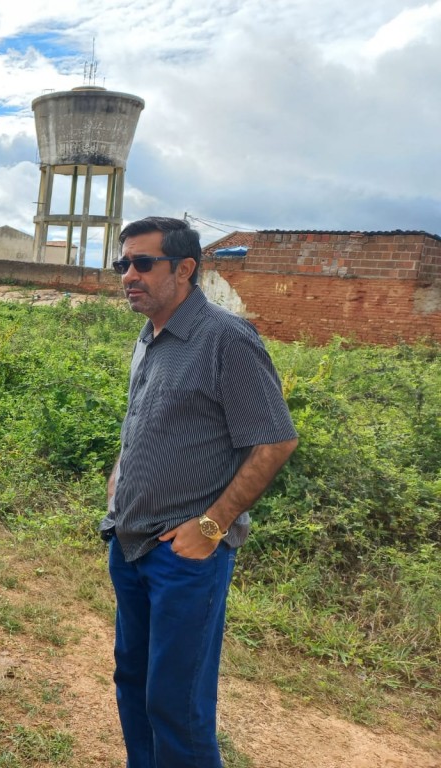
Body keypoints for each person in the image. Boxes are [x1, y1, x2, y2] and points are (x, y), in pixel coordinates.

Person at [100, 216, 298, 768]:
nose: (128, 275)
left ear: (185, 268)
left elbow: (276, 441)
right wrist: (118, 481)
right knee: (133, 680)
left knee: (177, 706)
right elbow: (143, 421)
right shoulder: (150, 336)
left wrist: (211, 526)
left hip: (183, 559)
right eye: (123, 264)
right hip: (129, 542)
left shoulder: (225, 339)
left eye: (143, 263)